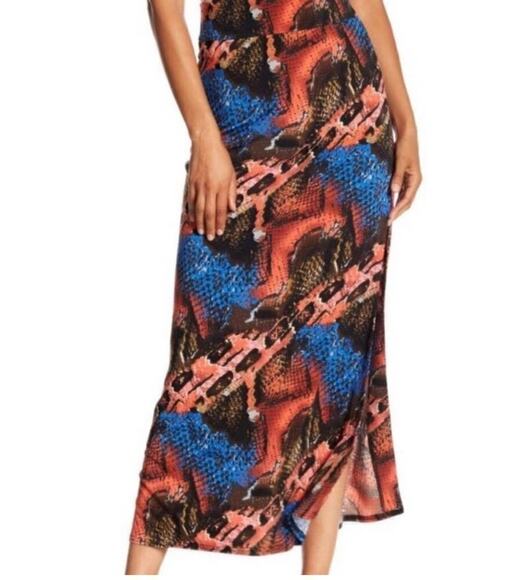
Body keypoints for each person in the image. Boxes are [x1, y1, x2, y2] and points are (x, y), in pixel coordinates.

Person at [125, 0, 421, 574]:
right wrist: (204, 139)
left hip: (347, 119)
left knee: (332, 371)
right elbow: (164, 10)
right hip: (239, 118)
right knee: (197, 372)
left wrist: (406, 123)